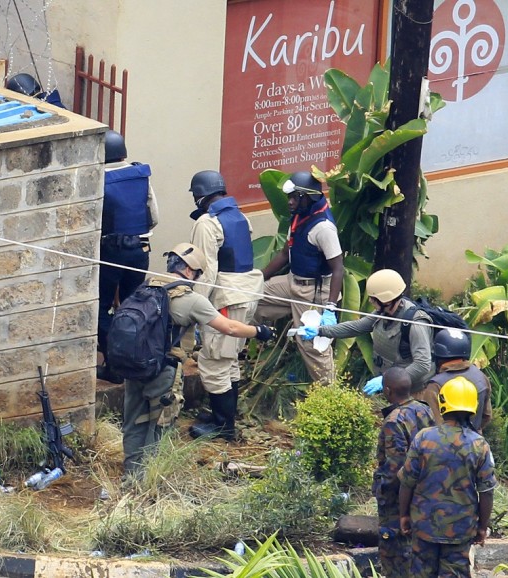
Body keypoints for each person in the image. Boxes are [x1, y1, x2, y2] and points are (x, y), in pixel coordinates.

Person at [122, 243, 275, 476]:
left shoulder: (147, 285)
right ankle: (149, 480)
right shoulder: (190, 299)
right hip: (163, 369)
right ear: (191, 271)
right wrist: (260, 331)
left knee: (133, 422)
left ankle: (131, 474)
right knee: (161, 425)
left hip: (134, 364)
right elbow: (230, 328)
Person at [186, 170, 265, 440]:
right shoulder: (240, 216)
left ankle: (223, 427)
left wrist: (195, 306)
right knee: (230, 358)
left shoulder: (207, 223)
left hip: (225, 299)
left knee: (214, 360)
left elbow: (206, 270)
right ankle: (225, 416)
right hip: (246, 295)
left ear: (199, 196)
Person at [398, 376, 496, 578]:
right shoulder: (479, 445)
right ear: (473, 407)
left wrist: (404, 515)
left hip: (423, 526)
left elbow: (407, 482)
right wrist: (482, 527)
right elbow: (486, 492)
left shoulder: (423, 438)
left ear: (443, 404)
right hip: (460, 530)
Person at [256, 171, 344, 384]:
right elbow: (284, 253)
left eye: (295, 197)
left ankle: (329, 398)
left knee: (311, 345)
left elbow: (338, 267)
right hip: (292, 281)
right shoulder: (299, 217)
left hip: (313, 292)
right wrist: (256, 278)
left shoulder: (323, 227)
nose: (290, 202)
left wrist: (330, 306)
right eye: (289, 197)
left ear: (308, 197)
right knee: (250, 298)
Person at [303, 269, 434, 394]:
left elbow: (422, 365)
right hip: (393, 387)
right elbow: (356, 327)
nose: (370, 301)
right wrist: (320, 331)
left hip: (414, 391)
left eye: (373, 298)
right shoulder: (383, 312)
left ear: (386, 300)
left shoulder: (416, 323)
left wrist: (387, 380)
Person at [97, 130, 159, 384]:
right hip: (139, 251)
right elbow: (154, 217)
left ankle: (114, 366)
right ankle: (135, 361)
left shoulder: (97, 178)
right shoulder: (140, 175)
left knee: (101, 308)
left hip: (109, 252)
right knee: (134, 307)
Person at [374, 367, 436, 578]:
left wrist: (382, 494)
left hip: (397, 502)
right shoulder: (425, 410)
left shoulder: (394, 421)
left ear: (389, 391)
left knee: (396, 557)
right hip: (424, 495)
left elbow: (395, 468)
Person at [420, 329, 492, 431]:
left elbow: (431, 423)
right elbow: (487, 416)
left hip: (442, 444)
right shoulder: (481, 377)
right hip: (475, 443)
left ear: (438, 353)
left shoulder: (435, 386)